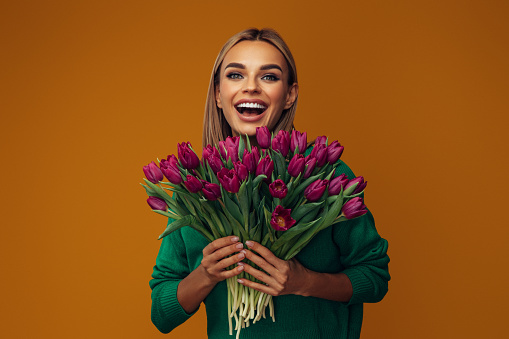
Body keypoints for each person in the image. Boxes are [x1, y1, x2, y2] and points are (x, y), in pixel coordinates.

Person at [150, 28, 390, 339]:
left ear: (289, 94)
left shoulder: (325, 173)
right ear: (218, 95)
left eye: (269, 77)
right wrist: (205, 274)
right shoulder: (196, 184)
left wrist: (304, 282)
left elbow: (374, 276)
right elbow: (161, 314)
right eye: (236, 75)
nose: (251, 87)